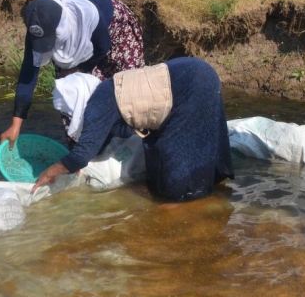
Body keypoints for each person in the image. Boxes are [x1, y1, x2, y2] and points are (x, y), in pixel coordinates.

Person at [31, 57, 234, 202]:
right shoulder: (103, 90)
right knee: (158, 149)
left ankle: (192, 199)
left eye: (67, 111)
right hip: (192, 69)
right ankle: (213, 182)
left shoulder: (96, 108)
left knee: (174, 163)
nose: (69, 115)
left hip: (191, 83)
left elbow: (81, 156)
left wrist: (50, 172)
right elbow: (101, 140)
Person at [0, 0, 145, 148]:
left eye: (52, 38)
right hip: (77, 42)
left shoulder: (87, 15)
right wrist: (16, 125)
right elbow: (28, 74)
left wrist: (80, 69)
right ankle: (85, 151)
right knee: (71, 92)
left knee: (126, 88)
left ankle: (130, 143)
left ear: (61, 27)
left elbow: (102, 47)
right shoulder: (38, 27)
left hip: (113, 28)